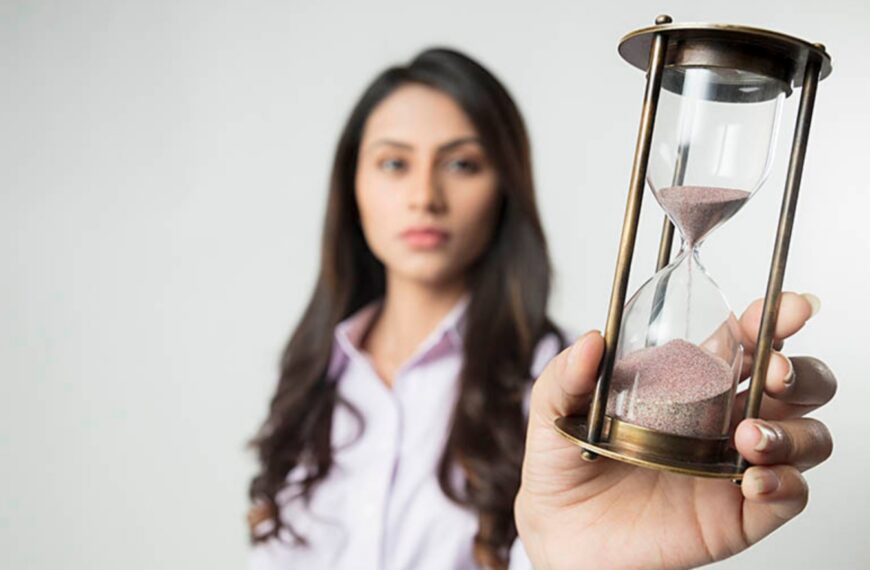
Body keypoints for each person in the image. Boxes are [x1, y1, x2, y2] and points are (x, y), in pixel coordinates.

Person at [246, 48, 836, 570]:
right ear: (351, 184)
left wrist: (573, 561)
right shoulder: (312, 372)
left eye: (461, 164)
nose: (424, 196)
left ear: (506, 184)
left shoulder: (570, 393)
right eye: (394, 163)